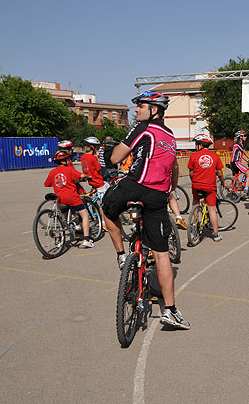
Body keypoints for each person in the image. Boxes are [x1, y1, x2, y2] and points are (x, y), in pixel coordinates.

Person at [102, 91, 190, 330]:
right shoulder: (171, 136)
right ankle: (171, 311)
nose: (136, 110)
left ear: (154, 110)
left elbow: (115, 158)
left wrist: (108, 155)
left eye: (140, 106)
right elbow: (173, 171)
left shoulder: (143, 128)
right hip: (158, 195)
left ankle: (121, 255)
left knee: (106, 210)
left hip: (134, 186)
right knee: (162, 253)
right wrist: (168, 190)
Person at [44, 150, 94, 248]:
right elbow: (81, 176)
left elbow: (47, 184)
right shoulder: (69, 169)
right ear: (63, 161)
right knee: (84, 215)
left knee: (63, 218)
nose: (69, 161)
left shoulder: (53, 172)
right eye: (68, 159)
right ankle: (86, 239)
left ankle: (60, 238)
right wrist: (89, 176)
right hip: (72, 197)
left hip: (60, 198)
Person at [188, 134, 226, 242]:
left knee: (195, 202)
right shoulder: (215, 156)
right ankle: (216, 234)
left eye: (196, 144)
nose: (195, 146)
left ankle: (194, 223)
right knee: (212, 209)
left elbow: (191, 172)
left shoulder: (193, 156)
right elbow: (219, 173)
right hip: (210, 186)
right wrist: (223, 182)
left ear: (200, 145)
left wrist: (194, 181)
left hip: (196, 185)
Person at [231, 130, 249, 195]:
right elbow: (245, 152)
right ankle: (246, 188)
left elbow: (242, 155)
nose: (246, 137)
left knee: (235, 178)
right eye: (245, 136)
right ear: (240, 137)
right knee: (248, 174)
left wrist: (248, 161)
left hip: (234, 162)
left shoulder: (239, 143)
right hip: (236, 162)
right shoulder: (238, 143)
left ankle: (235, 194)